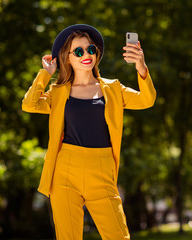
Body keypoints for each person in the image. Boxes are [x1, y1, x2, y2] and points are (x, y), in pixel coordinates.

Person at [21, 24, 156, 240]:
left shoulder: (113, 89)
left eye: (91, 49)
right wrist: (45, 75)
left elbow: (147, 100)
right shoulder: (58, 93)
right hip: (65, 170)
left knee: (119, 236)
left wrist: (141, 67)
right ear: (67, 58)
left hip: (102, 170)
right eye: (79, 51)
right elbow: (29, 104)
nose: (87, 54)